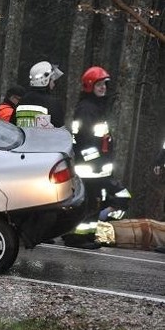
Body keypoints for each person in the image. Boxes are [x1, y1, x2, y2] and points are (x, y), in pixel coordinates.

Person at [63, 66, 131, 249]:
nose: (103, 88)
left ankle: (88, 235)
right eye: (99, 85)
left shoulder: (96, 108)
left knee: (93, 202)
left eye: (104, 85)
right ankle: (76, 238)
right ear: (89, 86)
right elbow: (84, 141)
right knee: (86, 203)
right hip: (89, 168)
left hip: (96, 169)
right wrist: (96, 160)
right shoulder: (87, 109)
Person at [13, 61, 66, 128]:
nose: (54, 84)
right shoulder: (53, 103)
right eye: (52, 80)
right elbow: (60, 131)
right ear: (45, 81)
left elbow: (13, 125)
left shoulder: (22, 101)